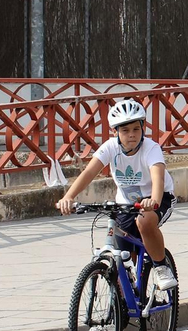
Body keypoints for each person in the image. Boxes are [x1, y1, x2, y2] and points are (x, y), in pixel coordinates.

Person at [56, 99, 178, 293]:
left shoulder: (151, 148)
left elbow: (158, 179)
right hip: (126, 202)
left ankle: (161, 267)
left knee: (145, 223)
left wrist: (153, 200)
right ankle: (126, 297)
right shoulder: (110, 147)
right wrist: (69, 196)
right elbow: (88, 173)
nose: (131, 135)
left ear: (143, 128)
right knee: (123, 252)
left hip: (157, 198)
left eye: (136, 129)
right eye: (125, 130)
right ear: (116, 132)